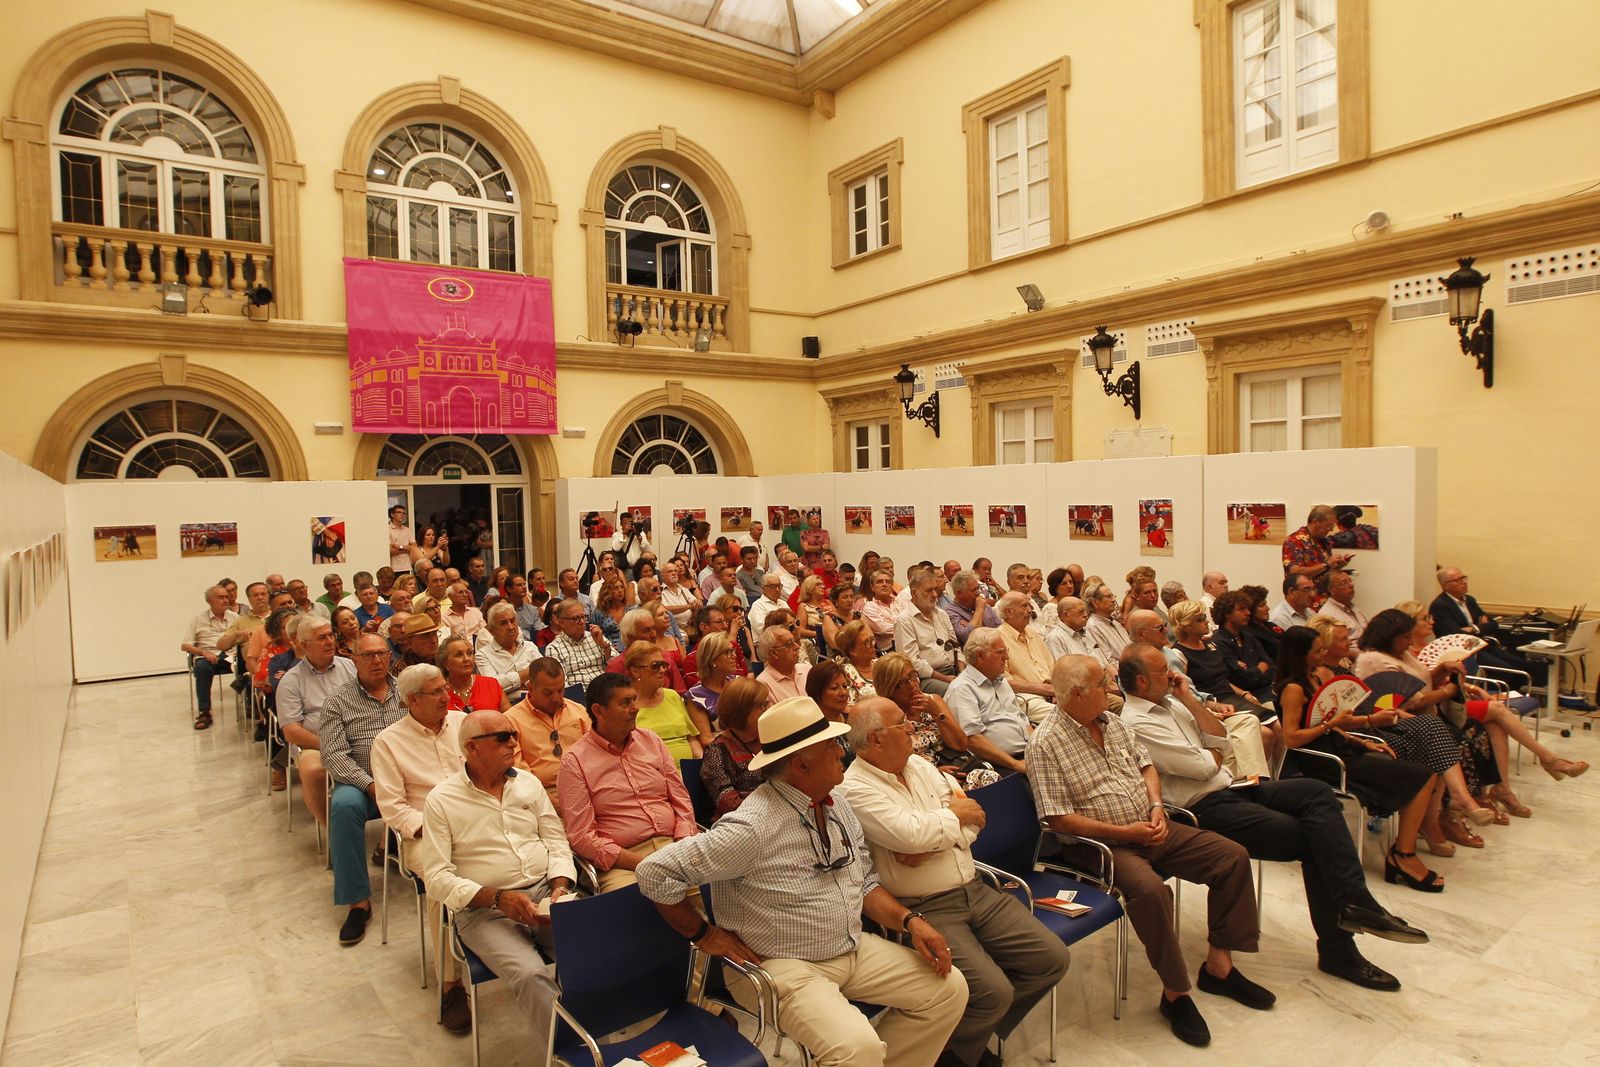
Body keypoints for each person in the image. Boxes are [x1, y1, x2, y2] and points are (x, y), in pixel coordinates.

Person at [636, 696, 970, 1067]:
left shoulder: (835, 803)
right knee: (857, 1048)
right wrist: (704, 934)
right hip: (780, 963)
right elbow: (655, 872)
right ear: (802, 763)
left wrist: (910, 921)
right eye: (831, 745)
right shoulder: (752, 826)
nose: (842, 751)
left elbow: (864, 883)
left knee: (949, 989)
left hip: (849, 946)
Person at [1117, 643, 1428, 991]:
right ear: (1142, 681)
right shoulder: (1137, 721)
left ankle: (1356, 902)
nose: (1174, 674)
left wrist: (1189, 699)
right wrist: (1216, 751)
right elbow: (1203, 765)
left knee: (1316, 792)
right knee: (1314, 840)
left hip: (1231, 786)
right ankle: (1341, 944)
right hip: (1202, 807)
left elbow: (1219, 736)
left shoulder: (1174, 702)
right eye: (1163, 670)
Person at [1029, 653, 1270, 1047]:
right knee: (1151, 890)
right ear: (1076, 694)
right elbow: (1058, 819)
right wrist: (1126, 832)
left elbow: (1146, 767)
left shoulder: (1112, 722)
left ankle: (1220, 967)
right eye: (1101, 685)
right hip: (1104, 846)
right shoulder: (1045, 742)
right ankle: (1175, 993)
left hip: (1152, 825)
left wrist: (1157, 806)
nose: (1110, 690)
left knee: (1231, 857)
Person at [842, 697, 1071, 1067]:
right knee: (993, 992)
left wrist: (932, 838)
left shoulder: (918, 764)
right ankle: (957, 1054)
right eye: (902, 722)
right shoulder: (854, 788)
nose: (912, 727)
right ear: (877, 738)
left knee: (1051, 959)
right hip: (924, 907)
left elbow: (975, 817)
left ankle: (961, 1040)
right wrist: (939, 827)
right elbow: (912, 834)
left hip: (975, 887)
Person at [419, 708, 575, 1045]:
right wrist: (498, 898)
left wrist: (560, 886)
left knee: (590, 949)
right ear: (472, 748)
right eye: (503, 737)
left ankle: (599, 1031)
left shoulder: (528, 784)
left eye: (514, 735)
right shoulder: (442, 800)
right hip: (484, 910)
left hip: (545, 893)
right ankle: (570, 1051)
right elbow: (437, 877)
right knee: (530, 973)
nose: (514, 743)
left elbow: (556, 840)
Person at [1275, 624, 1441, 892]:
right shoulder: (1293, 689)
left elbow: (1332, 723)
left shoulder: (1315, 679)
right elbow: (1292, 738)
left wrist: (1361, 740)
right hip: (1323, 761)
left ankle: (1403, 849)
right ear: (1301, 654)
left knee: (1422, 770)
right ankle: (1403, 854)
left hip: (1339, 747)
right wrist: (1331, 726)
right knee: (1424, 776)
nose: (1323, 654)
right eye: (1317, 651)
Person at [370, 663, 470, 1031]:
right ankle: (451, 985)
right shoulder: (388, 742)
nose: (447, 696)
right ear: (412, 700)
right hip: (424, 835)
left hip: (478, 822)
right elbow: (393, 808)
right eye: (437, 691)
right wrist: (438, 828)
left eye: (445, 688)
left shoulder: (463, 724)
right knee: (442, 883)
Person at [557, 672, 699, 892]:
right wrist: (644, 863)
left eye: (634, 700)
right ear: (598, 711)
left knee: (716, 887)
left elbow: (681, 799)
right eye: (625, 703)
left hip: (674, 843)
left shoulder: (651, 741)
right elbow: (582, 837)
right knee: (634, 902)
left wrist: (684, 841)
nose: (635, 708)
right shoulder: (574, 762)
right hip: (623, 862)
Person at [320, 635, 408, 946]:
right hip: (362, 781)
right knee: (343, 807)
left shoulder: (408, 691)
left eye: (381, 653)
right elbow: (334, 756)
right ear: (354, 659)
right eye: (368, 655)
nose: (376, 661)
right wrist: (370, 785)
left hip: (408, 777)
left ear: (390, 656)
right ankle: (358, 902)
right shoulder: (337, 701)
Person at [277, 617, 358, 826]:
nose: (330, 641)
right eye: (322, 638)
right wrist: (328, 744)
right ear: (304, 645)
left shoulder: (350, 666)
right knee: (314, 771)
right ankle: (330, 827)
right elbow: (291, 731)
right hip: (316, 744)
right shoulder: (290, 681)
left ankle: (389, 832)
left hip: (357, 735)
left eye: (331, 635)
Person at [1429, 567, 1546, 684]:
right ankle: (1496, 693)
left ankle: (1511, 693)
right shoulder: (1440, 605)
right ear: (1445, 585)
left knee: (1523, 665)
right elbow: (1456, 634)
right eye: (1457, 580)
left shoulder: (1469, 600)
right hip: (1464, 651)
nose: (1463, 582)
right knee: (1506, 670)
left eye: (1463, 578)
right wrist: (1480, 627)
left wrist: (1474, 628)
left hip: (1482, 644)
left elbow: (1493, 624)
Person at [944, 629, 1030, 775]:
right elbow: (972, 740)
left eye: (1006, 651)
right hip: (1000, 764)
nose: (1007, 657)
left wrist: (1037, 748)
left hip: (1026, 754)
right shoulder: (962, 688)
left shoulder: (999, 680)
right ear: (980, 656)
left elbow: (1022, 719)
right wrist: (1015, 764)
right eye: (1000, 652)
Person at [872, 652, 970, 771]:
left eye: (912, 676)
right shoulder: (889, 720)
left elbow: (961, 744)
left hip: (957, 763)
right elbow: (895, 764)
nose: (912, 685)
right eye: (902, 683)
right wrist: (936, 772)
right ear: (889, 689)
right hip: (922, 775)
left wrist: (937, 713)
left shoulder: (934, 700)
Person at [699, 677, 770, 818]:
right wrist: (774, 803)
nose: (768, 710)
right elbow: (730, 804)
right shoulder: (717, 751)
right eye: (762, 706)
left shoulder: (770, 739)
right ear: (742, 711)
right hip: (745, 821)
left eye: (767, 704)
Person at [626, 641, 705, 762]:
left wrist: (701, 763)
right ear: (635, 671)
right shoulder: (628, 706)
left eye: (663, 665)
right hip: (650, 770)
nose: (662, 670)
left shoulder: (672, 696)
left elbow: (692, 739)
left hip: (687, 770)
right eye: (655, 666)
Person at [179, 584, 238, 730]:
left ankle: (251, 705)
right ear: (210, 601)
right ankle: (204, 712)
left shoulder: (235, 618)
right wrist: (203, 652)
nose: (225, 600)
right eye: (221, 597)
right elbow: (185, 645)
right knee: (202, 668)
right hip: (207, 656)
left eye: (226, 597)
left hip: (231, 655)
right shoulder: (198, 620)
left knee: (246, 664)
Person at [894, 572, 960, 696]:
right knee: (957, 692)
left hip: (953, 671)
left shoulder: (942, 614)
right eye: (929, 590)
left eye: (935, 589)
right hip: (926, 678)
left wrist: (962, 673)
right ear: (914, 593)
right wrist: (946, 679)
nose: (935, 594)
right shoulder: (904, 621)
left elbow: (956, 647)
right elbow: (911, 662)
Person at [994, 592, 1055, 722]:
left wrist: (1056, 690)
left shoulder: (1033, 633)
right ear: (1009, 612)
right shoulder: (997, 639)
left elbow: (1052, 667)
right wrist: (1046, 689)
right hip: (1026, 697)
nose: (1030, 610)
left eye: (1029, 605)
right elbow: (1005, 682)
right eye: (1024, 606)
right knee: (1068, 715)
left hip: (1052, 692)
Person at [1209, 591, 1276, 705]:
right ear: (1227, 613)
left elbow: (1269, 664)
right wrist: (1261, 667)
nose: (1248, 613)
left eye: (1247, 608)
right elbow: (1244, 680)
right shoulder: (1219, 642)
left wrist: (1255, 670)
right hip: (1248, 697)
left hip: (1268, 690)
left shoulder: (1248, 636)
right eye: (1241, 609)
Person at [1282, 505, 1354, 596]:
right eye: (1328, 526)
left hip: (1325, 597)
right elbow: (1295, 574)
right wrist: (1327, 565)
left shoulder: (1323, 541)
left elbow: (1324, 571)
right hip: (1306, 599)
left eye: (1332, 526)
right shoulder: (1294, 541)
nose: (1331, 530)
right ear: (1315, 522)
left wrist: (1336, 566)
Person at [475, 601, 539, 702]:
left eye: (513, 621)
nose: (511, 627)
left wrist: (509, 685)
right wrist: (527, 674)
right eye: (503, 623)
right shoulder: (483, 655)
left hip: (537, 701)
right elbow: (492, 686)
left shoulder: (530, 647)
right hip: (507, 705)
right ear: (492, 631)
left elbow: (545, 675)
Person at [545, 597, 613, 690]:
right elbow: (562, 686)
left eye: (583, 617)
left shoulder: (596, 636)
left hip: (607, 690)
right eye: (576, 618)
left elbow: (617, 665)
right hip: (581, 695)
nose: (582, 622)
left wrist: (603, 645)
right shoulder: (554, 648)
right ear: (561, 622)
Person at [757, 623, 811, 703]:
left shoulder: (807, 669)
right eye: (789, 644)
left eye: (795, 641)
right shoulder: (763, 685)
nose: (797, 647)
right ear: (773, 653)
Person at [1082, 579, 1131, 662]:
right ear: (1095, 602)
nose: (1113, 600)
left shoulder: (1115, 622)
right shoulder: (1093, 627)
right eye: (1108, 596)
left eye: (1113, 596)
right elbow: (1107, 661)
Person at [1313, 570, 1368, 645]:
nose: (1351, 585)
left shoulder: (1353, 608)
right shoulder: (1327, 615)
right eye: (1344, 583)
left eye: (1350, 580)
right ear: (1331, 590)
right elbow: (1332, 647)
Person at [834, 619, 880, 702]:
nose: (873, 644)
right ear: (853, 651)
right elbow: (848, 706)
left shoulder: (881, 664)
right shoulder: (845, 673)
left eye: (872, 639)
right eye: (867, 642)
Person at [862, 568, 903, 652]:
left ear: (891, 586)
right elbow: (883, 629)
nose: (884, 584)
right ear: (872, 587)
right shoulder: (870, 607)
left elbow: (911, 621)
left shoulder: (900, 602)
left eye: (888, 582)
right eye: (879, 582)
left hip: (908, 643)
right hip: (889, 650)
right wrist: (907, 627)